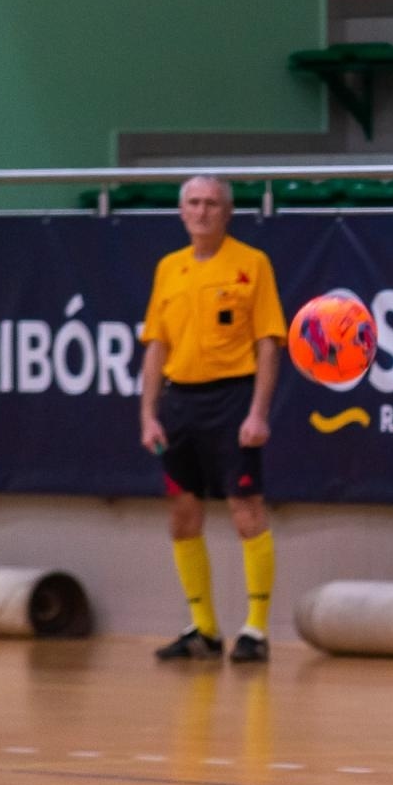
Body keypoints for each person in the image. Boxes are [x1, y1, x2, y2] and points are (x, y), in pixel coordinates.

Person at [140, 176, 286, 664]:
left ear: (227, 213)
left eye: (212, 204)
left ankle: (257, 630)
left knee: (245, 506)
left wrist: (257, 412)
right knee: (182, 513)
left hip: (232, 399)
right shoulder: (169, 268)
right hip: (180, 403)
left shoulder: (252, 264)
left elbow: (269, 340)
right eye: (194, 203)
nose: (202, 211)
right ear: (181, 212)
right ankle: (203, 628)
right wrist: (148, 413)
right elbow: (157, 344)